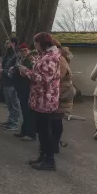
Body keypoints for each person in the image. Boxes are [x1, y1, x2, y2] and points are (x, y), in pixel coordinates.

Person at [19, 32, 61, 171]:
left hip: (45, 100)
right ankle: (43, 156)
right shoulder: (44, 55)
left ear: (41, 42)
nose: (34, 45)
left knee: (45, 131)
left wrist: (26, 71)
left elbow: (44, 79)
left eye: (35, 42)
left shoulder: (50, 57)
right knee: (41, 130)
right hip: (40, 98)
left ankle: (49, 160)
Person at [12, 43, 37, 141]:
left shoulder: (30, 59)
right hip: (21, 88)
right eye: (21, 50)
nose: (23, 52)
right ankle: (24, 131)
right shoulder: (20, 60)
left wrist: (21, 69)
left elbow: (31, 73)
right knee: (24, 111)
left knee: (28, 112)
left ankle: (31, 133)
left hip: (28, 88)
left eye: (25, 50)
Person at [52, 40, 74, 152]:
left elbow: (57, 77)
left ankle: (54, 145)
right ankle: (55, 144)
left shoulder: (60, 59)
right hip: (63, 92)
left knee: (55, 121)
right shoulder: (63, 58)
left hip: (60, 93)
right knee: (56, 121)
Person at [0, 37, 21, 131]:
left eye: (7, 43)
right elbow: (6, 65)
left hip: (12, 83)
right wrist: (1, 65)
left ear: (13, 44)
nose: (5, 45)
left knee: (14, 103)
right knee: (9, 103)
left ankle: (14, 123)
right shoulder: (7, 55)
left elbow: (15, 69)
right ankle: (10, 120)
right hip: (5, 82)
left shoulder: (16, 55)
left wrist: (3, 70)